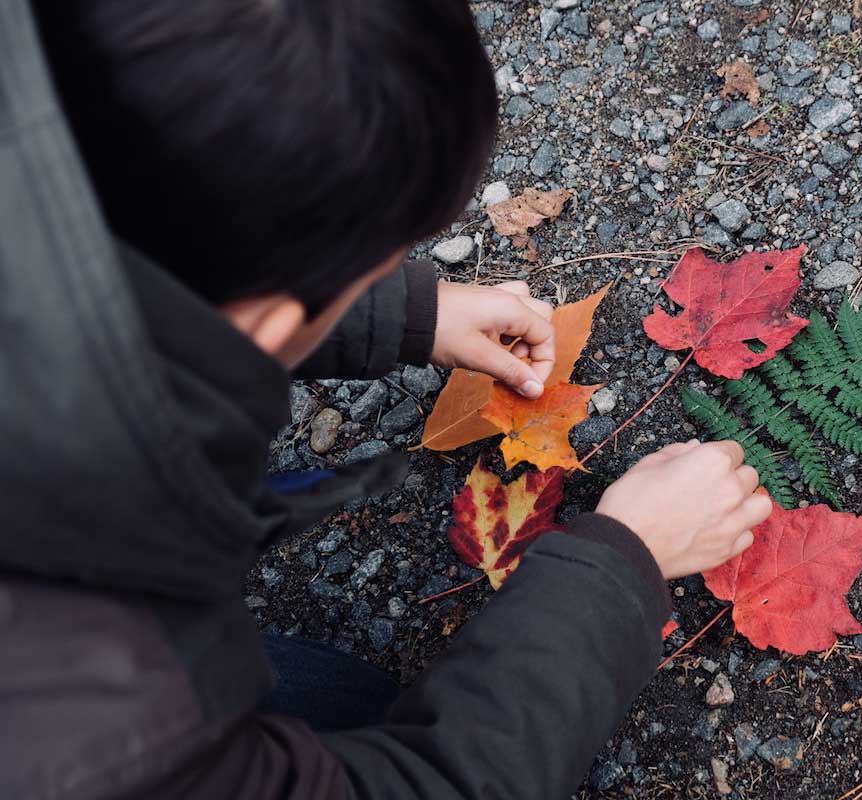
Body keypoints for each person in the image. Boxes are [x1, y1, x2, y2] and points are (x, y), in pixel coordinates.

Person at [0, 1, 772, 798]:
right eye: (369, 272)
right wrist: (622, 564)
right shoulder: (103, 732)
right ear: (266, 321)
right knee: (352, 705)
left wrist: (403, 313)